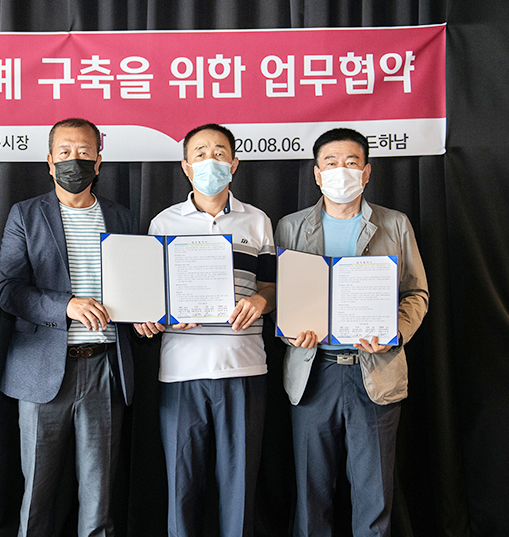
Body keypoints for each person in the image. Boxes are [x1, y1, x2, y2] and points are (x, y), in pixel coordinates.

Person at [275, 128, 428, 537]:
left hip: (375, 370)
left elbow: (416, 293)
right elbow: (280, 296)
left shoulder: (395, 224)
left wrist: (394, 332)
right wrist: (291, 333)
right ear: (317, 174)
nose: (340, 171)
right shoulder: (290, 227)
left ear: (367, 171)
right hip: (313, 372)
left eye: (351, 162)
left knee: (374, 492)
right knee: (311, 493)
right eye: (331, 163)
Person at [134, 123, 276, 537]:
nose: (209, 161)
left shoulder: (257, 221)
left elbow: (271, 286)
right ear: (185, 166)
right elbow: (149, 296)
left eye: (219, 153)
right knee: (182, 486)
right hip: (181, 370)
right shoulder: (164, 222)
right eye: (200, 153)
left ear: (234, 163)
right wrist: (154, 317)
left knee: (240, 486)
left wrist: (260, 301)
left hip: (244, 367)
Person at [0, 118, 135, 537]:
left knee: (99, 493)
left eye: (85, 152)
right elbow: (7, 289)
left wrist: (146, 313)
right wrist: (66, 305)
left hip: (104, 368)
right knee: (37, 493)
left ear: (99, 162)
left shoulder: (121, 217)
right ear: (49, 161)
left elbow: (137, 285)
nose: (75, 160)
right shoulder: (25, 214)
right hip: (42, 370)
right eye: (65, 152)